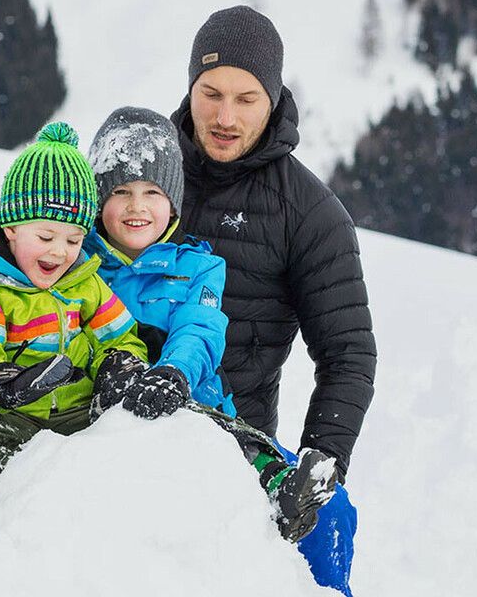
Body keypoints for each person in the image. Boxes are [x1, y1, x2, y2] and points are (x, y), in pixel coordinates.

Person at [87, 105, 356, 593]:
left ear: (174, 202)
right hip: (107, 421)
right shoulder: (80, 265)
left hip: (201, 407)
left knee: (312, 500)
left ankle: (280, 495)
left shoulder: (201, 265)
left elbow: (201, 328)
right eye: (120, 193)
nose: (136, 206)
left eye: (152, 193)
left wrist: (175, 371)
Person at [0, 122, 155, 574]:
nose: (60, 252)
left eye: (74, 240)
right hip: (6, 416)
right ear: (12, 227)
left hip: (76, 415)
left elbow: (123, 335)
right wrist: (4, 385)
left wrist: (121, 363)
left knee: (161, 407)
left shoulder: (86, 283)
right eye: (46, 236)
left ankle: (264, 471)